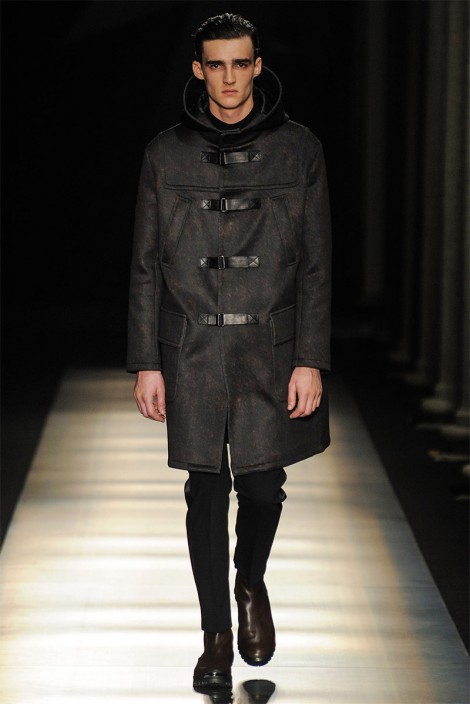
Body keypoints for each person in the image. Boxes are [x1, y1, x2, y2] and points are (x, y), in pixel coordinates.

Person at [127, 13, 332, 693]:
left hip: (270, 345)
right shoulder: (165, 155)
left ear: (258, 66)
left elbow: (316, 266)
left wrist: (311, 357)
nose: (229, 78)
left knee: (264, 486)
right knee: (205, 491)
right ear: (198, 71)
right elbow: (145, 265)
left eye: (240, 64)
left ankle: (249, 581)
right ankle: (216, 636)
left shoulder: (299, 151)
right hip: (191, 344)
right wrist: (146, 361)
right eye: (216, 65)